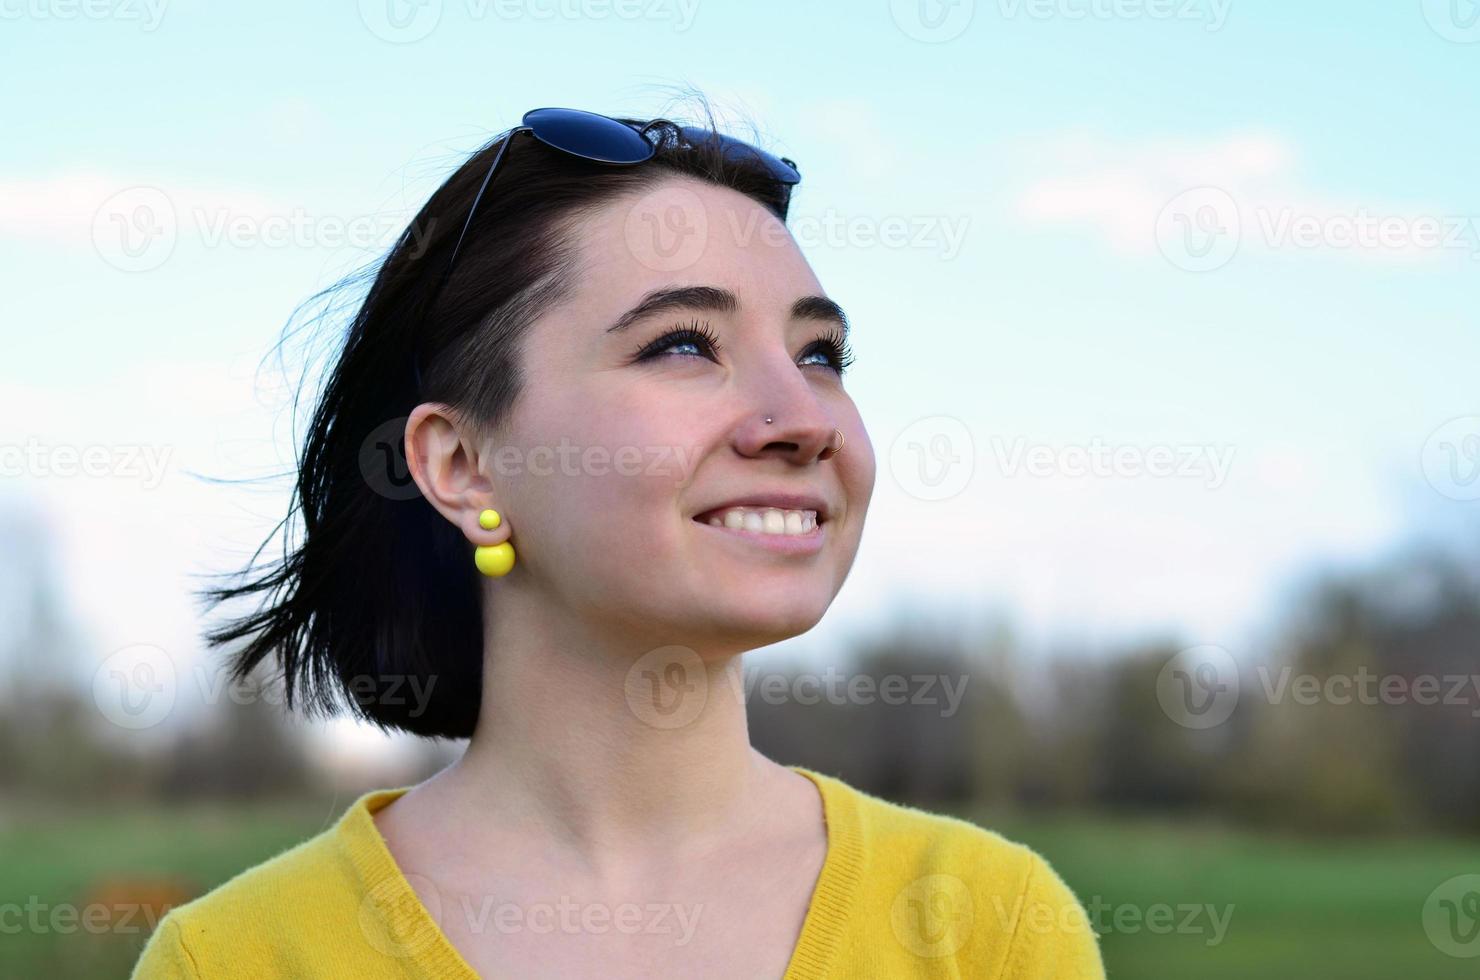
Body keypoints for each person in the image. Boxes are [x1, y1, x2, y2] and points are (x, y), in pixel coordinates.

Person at [131, 102, 1105, 979]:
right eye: (683, 343)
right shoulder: (236, 958)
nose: (802, 416)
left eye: (819, 354)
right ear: (461, 465)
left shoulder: (991, 930)